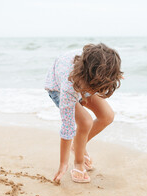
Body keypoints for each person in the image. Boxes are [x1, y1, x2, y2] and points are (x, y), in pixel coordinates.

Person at [44, 43, 123, 183]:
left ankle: (78, 146)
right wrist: (63, 164)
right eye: (93, 89)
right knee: (85, 122)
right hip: (58, 88)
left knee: (107, 116)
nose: (93, 94)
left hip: (86, 79)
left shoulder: (97, 67)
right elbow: (67, 128)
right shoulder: (68, 87)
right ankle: (78, 163)